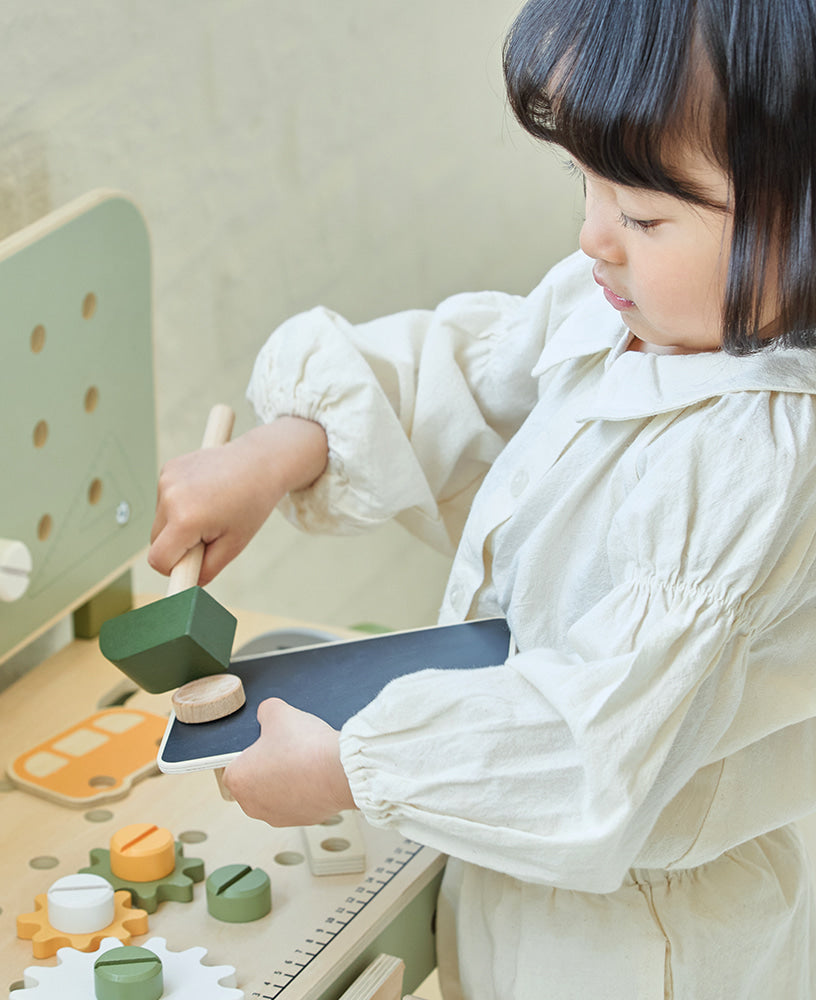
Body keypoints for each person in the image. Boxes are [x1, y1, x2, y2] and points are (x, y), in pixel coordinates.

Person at [147, 0, 816, 996]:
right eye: (582, 184)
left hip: (640, 940)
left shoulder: (753, 461)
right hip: (512, 861)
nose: (593, 237)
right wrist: (289, 445)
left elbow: (588, 750)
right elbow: (484, 368)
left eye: (640, 213)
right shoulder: (636, 305)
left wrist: (354, 767)